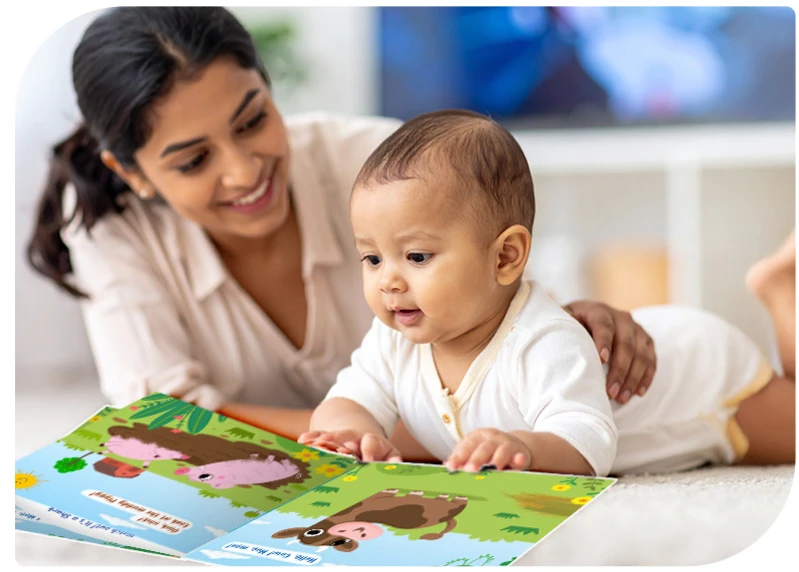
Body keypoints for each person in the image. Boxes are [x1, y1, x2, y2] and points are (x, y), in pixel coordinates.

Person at [26, 7, 658, 461]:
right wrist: (352, 435)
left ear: (271, 92)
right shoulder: (112, 230)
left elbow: (501, 308)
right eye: (194, 161)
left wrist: (572, 325)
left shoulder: (381, 167)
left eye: (253, 121)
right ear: (131, 174)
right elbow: (160, 419)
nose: (244, 171)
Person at [299, 110, 795, 476]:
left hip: (705, 385)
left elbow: (587, 440)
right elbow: (350, 400)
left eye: (417, 256)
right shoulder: (393, 342)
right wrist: (347, 433)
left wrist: (525, 449)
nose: (388, 280)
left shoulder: (541, 340)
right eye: (372, 259)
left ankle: (780, 291)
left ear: (505, 257)